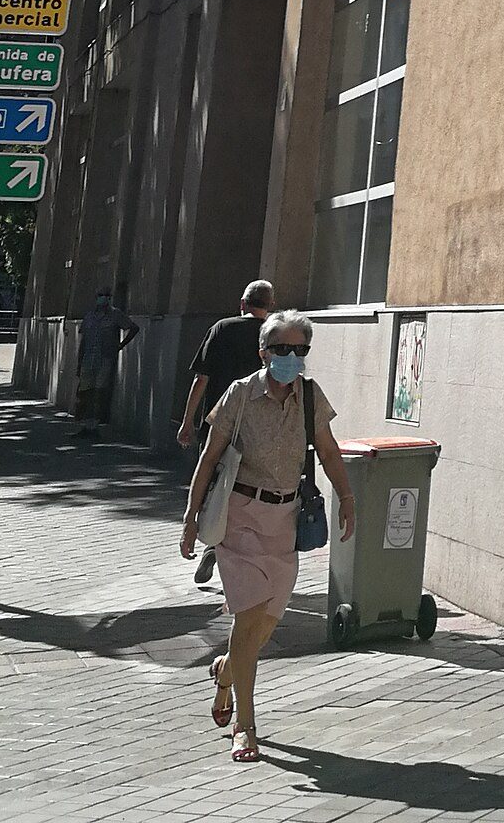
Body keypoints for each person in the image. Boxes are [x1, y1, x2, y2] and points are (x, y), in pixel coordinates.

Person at [181, 308, 354, 764]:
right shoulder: (239, 395)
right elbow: (209, 456)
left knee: (267, 623)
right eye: (281, 349)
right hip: (240, 516)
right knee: (248, 613)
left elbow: (331, 452)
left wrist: (348, 499)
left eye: (300, 350)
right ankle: (245, 725)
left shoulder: (311, 398)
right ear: (263, 352)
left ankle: (225, 673)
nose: (290, 357)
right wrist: (190, 516)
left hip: (285, 520)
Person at [176, 279, 275, 586]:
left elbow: (201, 380)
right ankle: (226, 551)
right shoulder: (272, 335)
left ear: (242, 303)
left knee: (211, 480)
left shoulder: (221, 329)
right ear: (269, 306)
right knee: (245, 491)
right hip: (257, 427)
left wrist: (187, 421)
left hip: (220, 423)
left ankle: (210, 539)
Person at [72, 285, 139, 436]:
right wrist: (79, 361)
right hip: (88, 359)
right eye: (100, 295)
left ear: (109, 298)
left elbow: (133, 328)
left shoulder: (115, 315)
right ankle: (85, 426)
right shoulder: (89, 316)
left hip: (105, 359)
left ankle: (94, 426)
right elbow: (83, 340)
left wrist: (120, 346)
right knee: (85, 393)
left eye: (106, 295)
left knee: (99, 393)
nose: (103, 298)